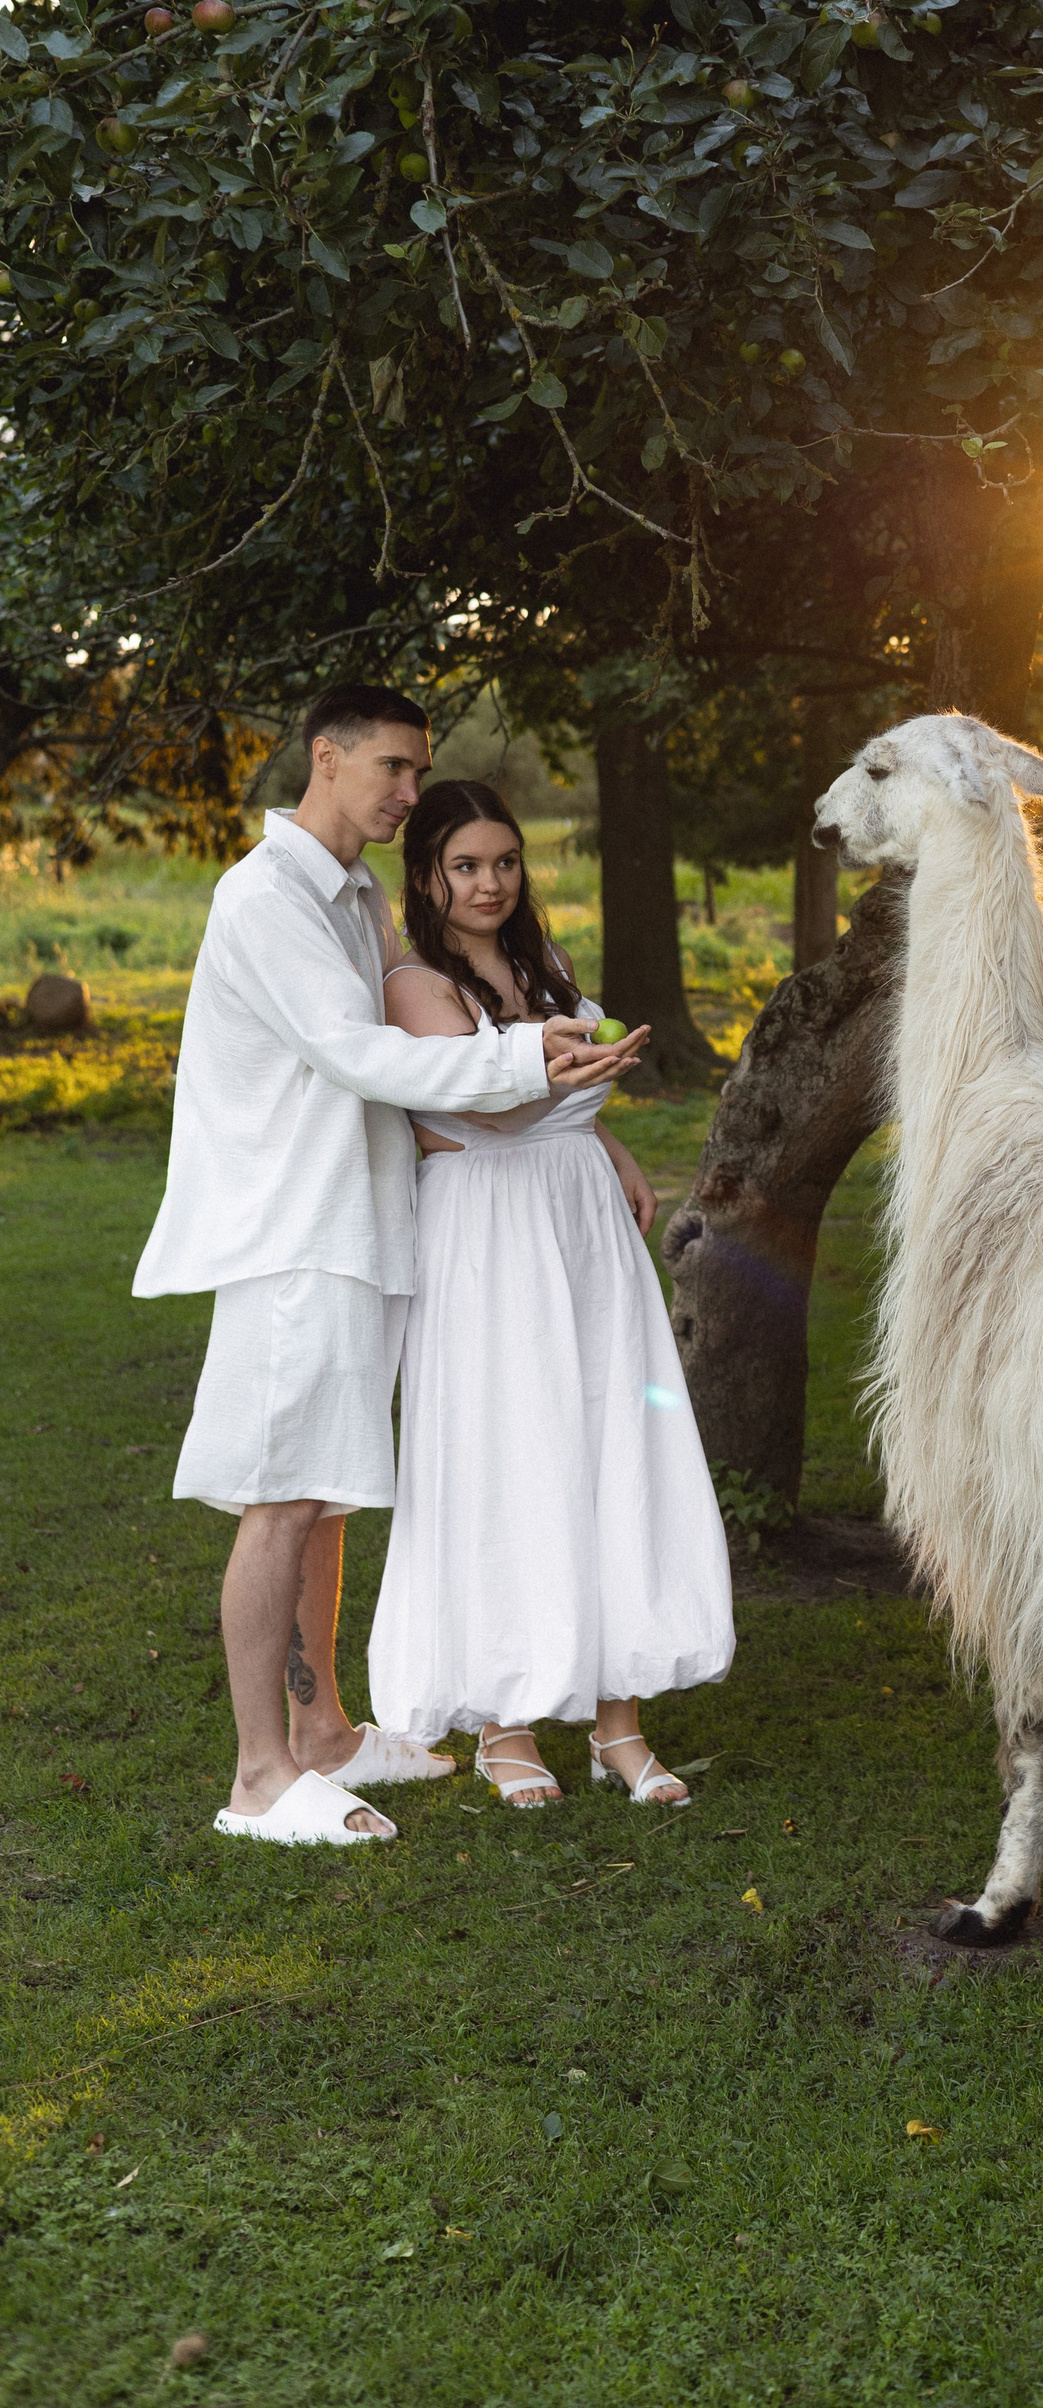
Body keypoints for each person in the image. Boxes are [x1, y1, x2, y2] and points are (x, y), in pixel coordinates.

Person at [134, 688, 640, 1848]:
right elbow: (358, 1054)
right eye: (395, 768)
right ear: (328, 756)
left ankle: (323, 1735)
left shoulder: (353, 893)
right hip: (293, 1235)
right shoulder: (265, 897)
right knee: (281, 1497)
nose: (411, 792)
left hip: (362, 1226)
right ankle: (261, 1778)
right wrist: (526, 1064)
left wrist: (571, 1117)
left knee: (327, 1496)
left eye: (420, 771)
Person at [367, 780, 732, 1806]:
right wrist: (575, 1081)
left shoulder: (544, 961)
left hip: (577, 1218)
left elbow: (562, 1096)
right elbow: (476, 1115)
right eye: (466, 866)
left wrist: (608, 1145)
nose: (490, 883)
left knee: (611, 1438)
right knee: (510, 1449)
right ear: (427, 875)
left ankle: (619, 1723)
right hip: (489, 1227)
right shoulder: (414, 984)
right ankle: (505, 1720)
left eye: (505, 862)